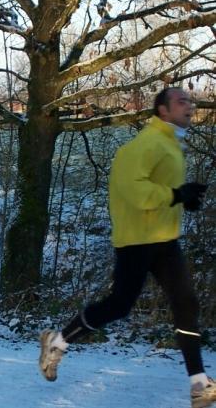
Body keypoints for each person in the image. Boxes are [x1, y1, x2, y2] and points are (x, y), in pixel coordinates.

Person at [38, 88, 215, 408]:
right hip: (136, 240)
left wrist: (182, 199)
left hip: (163, 238)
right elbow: (133, 189)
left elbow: (160, 188)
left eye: (191, 101)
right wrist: (176, 195)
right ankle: (57, 342)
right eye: (182, 102)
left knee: (185, 302)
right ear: (163, 110)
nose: (190, 106)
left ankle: (199, 384)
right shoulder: (147, 143)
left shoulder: (170, 143)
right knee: (119, 305)